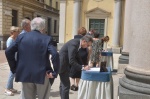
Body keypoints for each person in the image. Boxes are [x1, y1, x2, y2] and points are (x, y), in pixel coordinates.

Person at [5, 17, 59, 99]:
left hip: (25, 73)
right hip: (42, 74)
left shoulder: (21, 37)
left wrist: (14, 68)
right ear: (43, 27)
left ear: (31, 26)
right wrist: (55, 72)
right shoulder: (47, 38)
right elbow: (55, 54)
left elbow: (8, 51)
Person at [59, 35, 93, 99]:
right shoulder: (74, 44)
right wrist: (82, 67)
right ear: (84, 41)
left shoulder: (77, 43)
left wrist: (84, 65)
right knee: (66, 86)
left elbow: (77, 56)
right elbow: (71, 60)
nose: (88, 47)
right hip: (63, 65)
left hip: (64, 64)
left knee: (63, 85)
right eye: (88, 45)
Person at [4, 26, 20, 96]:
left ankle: (10, 87)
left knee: (13, 73)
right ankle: (7, 89)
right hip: (12, 59)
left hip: (15, 58)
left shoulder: (14, 39)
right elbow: (9, 51)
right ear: (13, 32)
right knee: (12, 73)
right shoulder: (10, 40)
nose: (18, 33)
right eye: (17, 32)